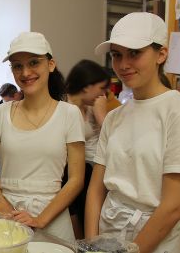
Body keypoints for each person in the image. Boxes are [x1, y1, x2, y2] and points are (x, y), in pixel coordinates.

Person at [85, 12, 180, 253]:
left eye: (134, 53)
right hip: (110, 233)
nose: (123, 64)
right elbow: (96, 190)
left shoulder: (175, 109)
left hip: (155, 239)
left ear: (162, 54)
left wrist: (131, 251)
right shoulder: (115, 117)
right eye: (117, 55)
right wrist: (91, 244)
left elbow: (173, 205)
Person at [0, 32, 85, 243]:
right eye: (17, 66)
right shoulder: (2, 112)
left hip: (53, 216)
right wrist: (2, 206)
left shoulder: (69, 114)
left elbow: (76, 179)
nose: (25, 72)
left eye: (34, 63)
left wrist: (40, 219)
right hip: (8, 217)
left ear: (51, 64)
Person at [64, 59, 111, 239]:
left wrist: (100, 114)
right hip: (67, 174)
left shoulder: (91, 108)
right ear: (86, 86)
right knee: (75, 225)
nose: (103, 95)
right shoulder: (63, 106)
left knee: (89, 222)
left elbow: (112, 140)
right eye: (101, 88)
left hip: (90, 171)